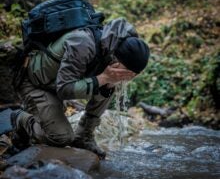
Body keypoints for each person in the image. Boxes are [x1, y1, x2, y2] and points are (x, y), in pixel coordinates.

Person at [11, 18, 150, 159]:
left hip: (57, 83)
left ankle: (84, 136)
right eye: (126, 73)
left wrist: (108, 82)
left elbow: (96, 87)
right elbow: (64, 90)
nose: (127, 78)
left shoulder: (112, 49)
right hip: (36, 83)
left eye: (132, 76)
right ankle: (20, 119)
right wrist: (104, 78)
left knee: (108, 86)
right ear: (118, 60)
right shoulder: (83, 43)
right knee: (61, 138)